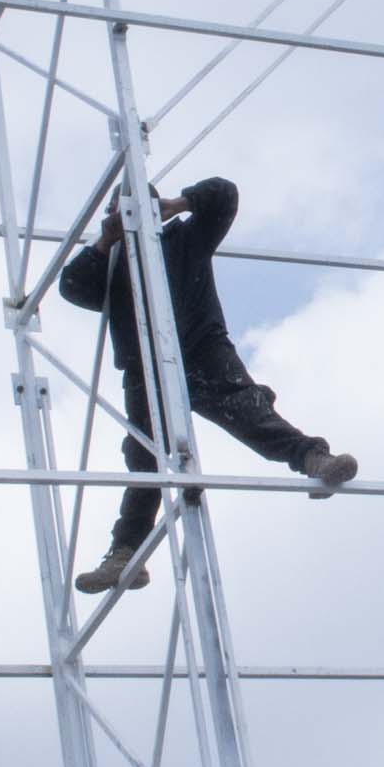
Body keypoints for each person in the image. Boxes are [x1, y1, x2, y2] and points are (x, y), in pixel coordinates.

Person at [56, 177, 358, 596]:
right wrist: (106, 242)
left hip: (202, 349)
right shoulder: (111, 264)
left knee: (250, 413)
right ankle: (126, 553)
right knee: (145, 458)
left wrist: (176, 204)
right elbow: (72, 287)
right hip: (146, 367)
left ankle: (314, 459)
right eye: (119, 212)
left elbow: (224, 194)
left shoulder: (184, 238)